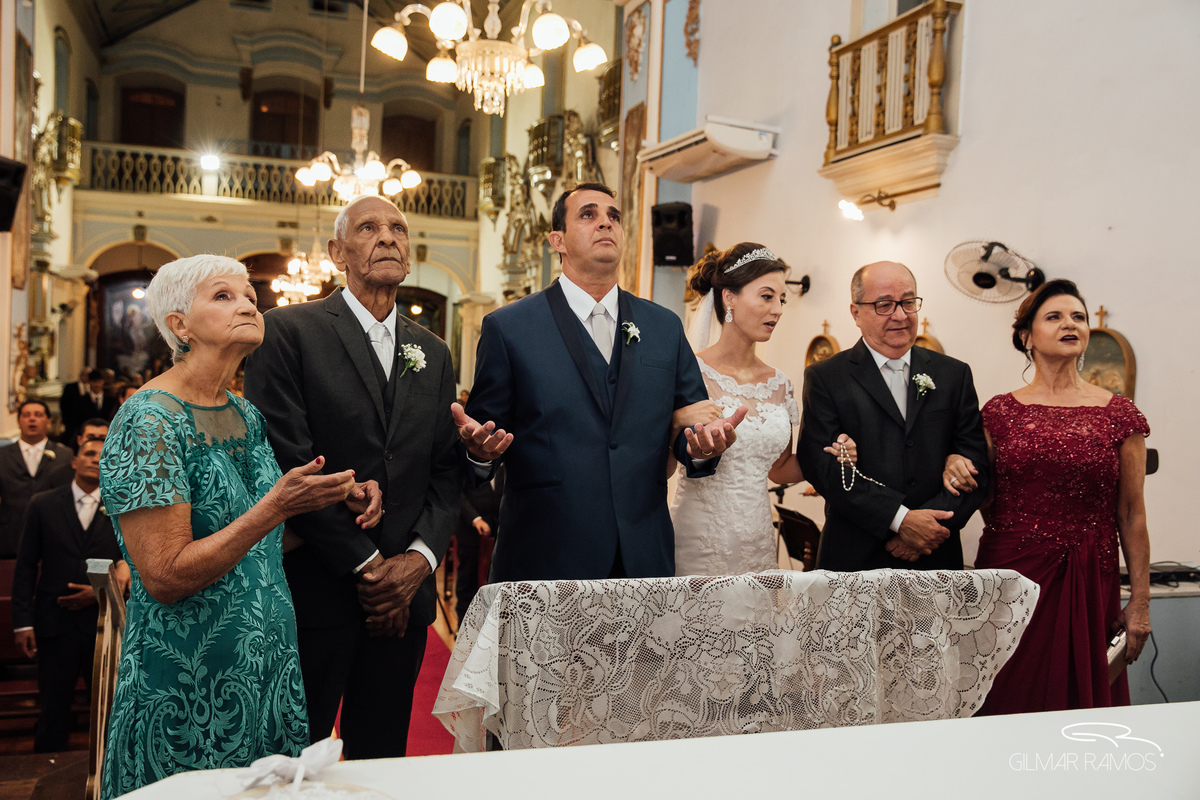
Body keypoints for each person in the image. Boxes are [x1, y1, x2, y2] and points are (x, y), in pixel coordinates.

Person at [98, 254, 373, 798]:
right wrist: (275, 506)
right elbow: (165, 577)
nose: (248, 303)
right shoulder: (149, 420)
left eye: (249, 293)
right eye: (222, 296)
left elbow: (262, 539)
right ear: (179, 325)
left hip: (267, 672)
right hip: (187, 684)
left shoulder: (244, 414)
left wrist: (336, 497)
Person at [244, 195, 460, 760]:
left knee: (383, 755)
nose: (387, 237)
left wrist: (416, 563)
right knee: (298, 756)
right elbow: (287, 459)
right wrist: (369, 569)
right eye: (369, 228)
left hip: (407, 596)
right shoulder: (287, 331)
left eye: (398, 228)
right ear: (338, 252)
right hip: (318, 587)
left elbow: (443, 471)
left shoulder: (432, 352)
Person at [453, 183, 745, 582]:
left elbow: (690, 423)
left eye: (614, 216)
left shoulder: (663, 326)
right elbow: (484, 440)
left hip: (642, 555)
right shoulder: (509, 328)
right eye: (588, 215)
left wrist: (701, 446)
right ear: (558, 240)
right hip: (545, 553)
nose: (605, 222)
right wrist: (479, 453)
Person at [942, 279, 1151, 713]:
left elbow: (1131, 514)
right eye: (1054, 317)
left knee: (1080, 699)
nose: (1069, 324)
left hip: (1091, 576)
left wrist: (1141, 603)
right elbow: (982, 493)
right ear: (1026, 336)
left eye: (1078, 316)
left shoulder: (1119, 415)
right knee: (1003, 690)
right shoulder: (1000, 413)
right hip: (1012, 573)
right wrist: (953, 465)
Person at [670, 243, 856, 576]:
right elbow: (672, 457)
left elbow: (781, 469)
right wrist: (700, 448)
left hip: (758, 538)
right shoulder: (689, 373)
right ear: (729, 298)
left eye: (781, 299)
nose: (778, 309)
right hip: (700, 537)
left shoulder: (781, 384)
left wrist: (835, 452)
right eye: (767, 297)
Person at [797, 261, 989, 571]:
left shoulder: (953, 374)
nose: (900, 315)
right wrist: (900, 520)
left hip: (935, 557)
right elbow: (821, 467)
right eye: (885, 305)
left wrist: (931, 528)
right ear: (856, 312)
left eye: (908, 302)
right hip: (855, 556)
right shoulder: (826, 378)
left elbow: (976, 463)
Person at [11, 438, 129, 752]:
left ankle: (107, 779)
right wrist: (22, 623)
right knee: (53, 707)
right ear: (73, 461)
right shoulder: (43, 503)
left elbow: (132, 562)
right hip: (55, 621)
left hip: (103, 622)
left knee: (107, 707)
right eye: (88, 453)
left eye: (102, 456)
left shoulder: (121, 507)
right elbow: (25, 566)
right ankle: (45, 775)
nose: (95, 459)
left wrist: (100, 592)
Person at [0, 401, 74, 557]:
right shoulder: (2, 455)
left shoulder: (64, 455)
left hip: (54, 536)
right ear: (18, 421)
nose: (32, 419)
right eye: (26, 415)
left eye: (38, 415)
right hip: (9, 536)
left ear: (48, 422)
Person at [455, 466, 502, 623]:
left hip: (497, 534)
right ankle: (463, 625)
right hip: (471, 533)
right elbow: (457, 494)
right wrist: (476, 519)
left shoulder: (506, 465)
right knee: (467, 580)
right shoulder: (470, 460)